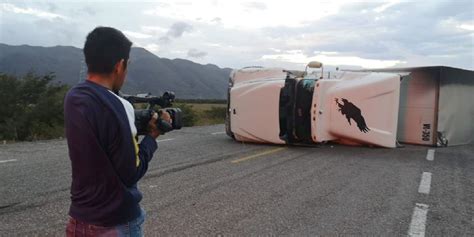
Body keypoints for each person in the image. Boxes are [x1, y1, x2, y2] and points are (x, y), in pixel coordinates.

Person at [64, 26, 170, 236]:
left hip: (80, 218)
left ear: (89, 60)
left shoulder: (73, 97)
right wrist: (152, 136)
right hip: (116, 222)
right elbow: (132, 172)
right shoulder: (120, 106)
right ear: (120, 65)